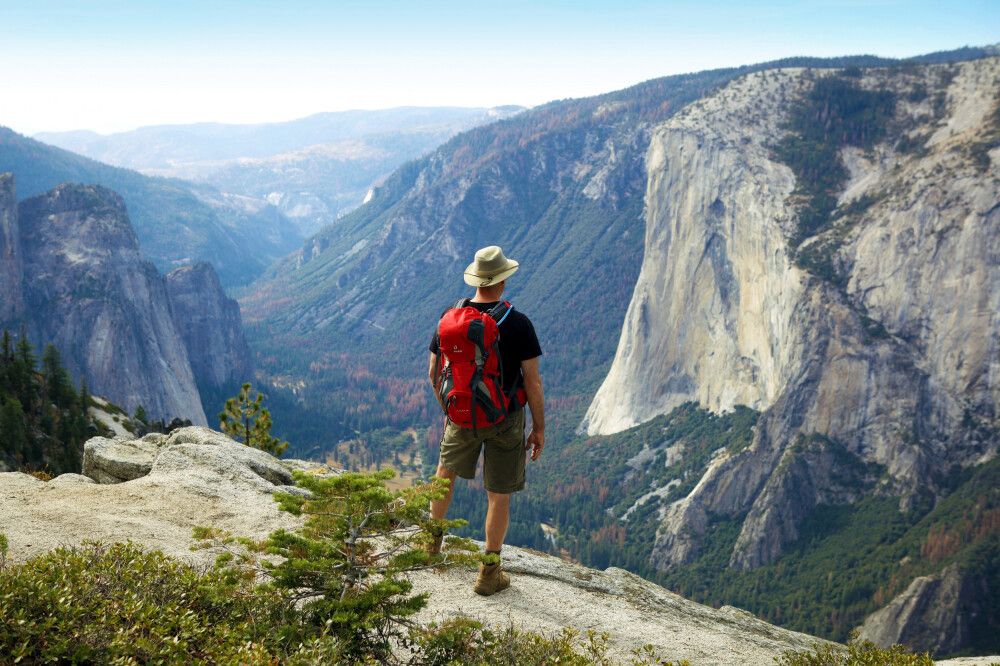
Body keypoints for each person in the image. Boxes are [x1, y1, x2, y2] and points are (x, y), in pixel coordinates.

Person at [427, 245, 545, 596]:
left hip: (461, 417)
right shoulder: (518, 323)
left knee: (444, 475)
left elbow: (433, 373)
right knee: (498, 494)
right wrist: (538, 428)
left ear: (476, 279)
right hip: (506, 419)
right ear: (502, 281)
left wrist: (452, 412)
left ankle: (430, 546)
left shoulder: (450, 318)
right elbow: (532, 382)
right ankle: (489, 573)